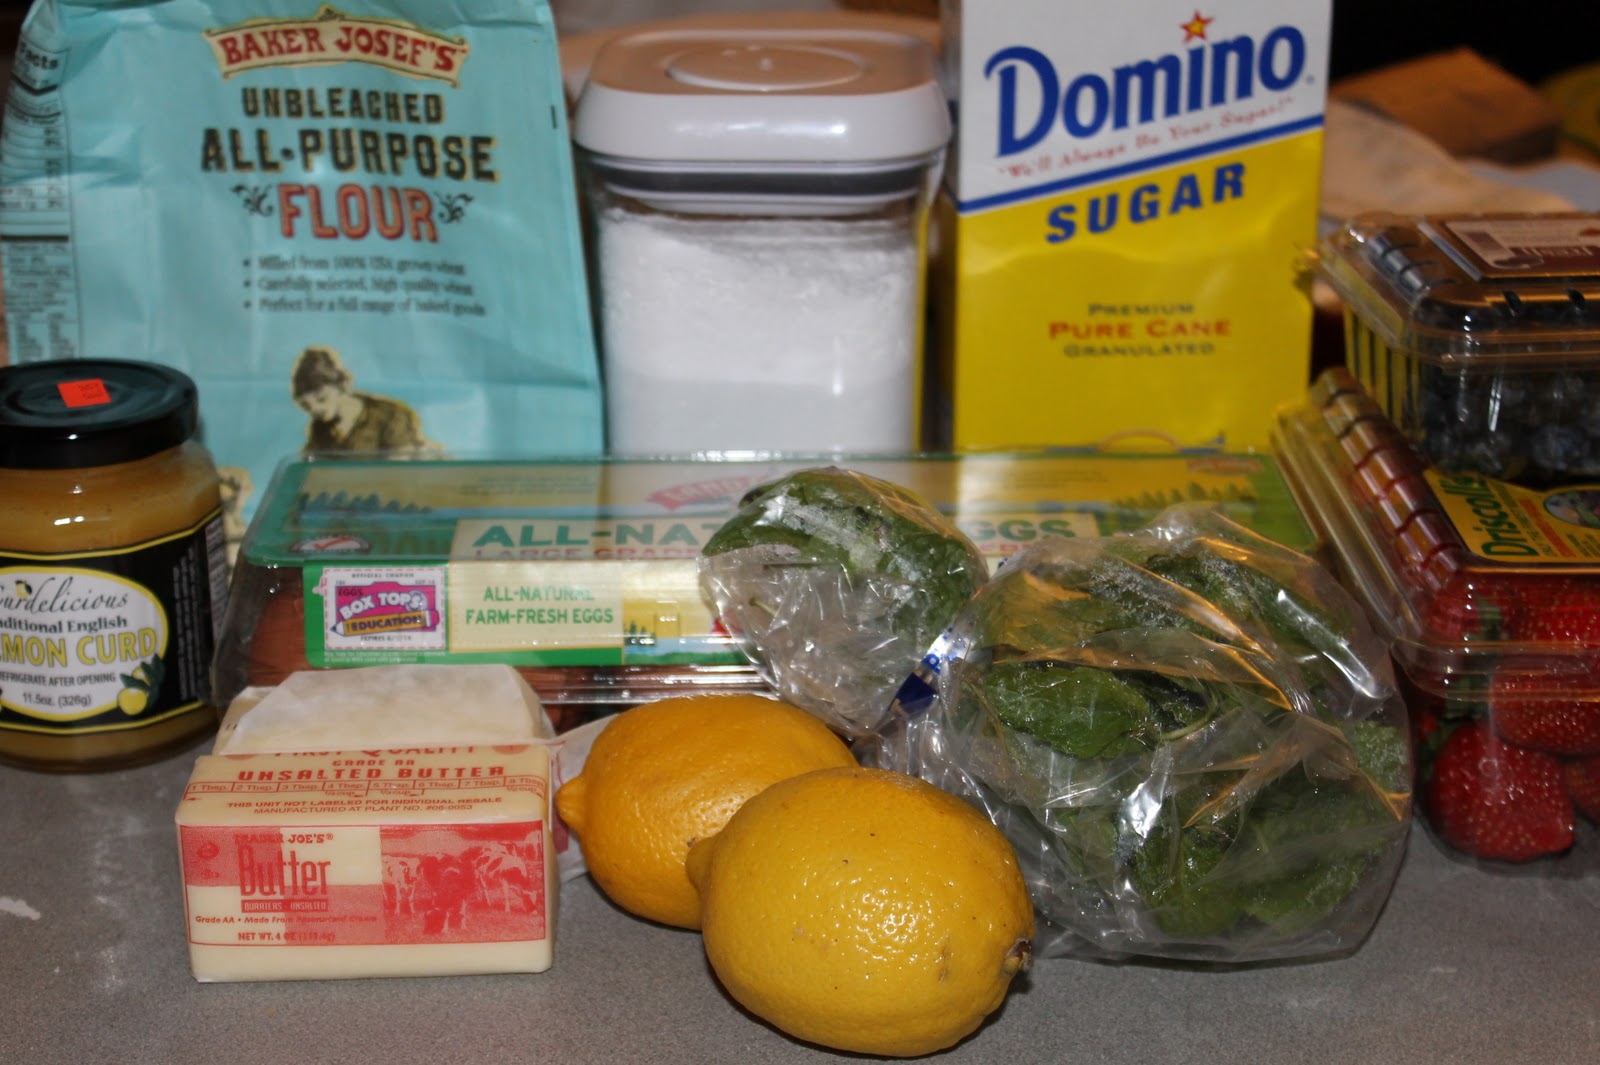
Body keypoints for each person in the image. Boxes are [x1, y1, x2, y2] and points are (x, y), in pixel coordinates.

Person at [289, 346, 440, 455]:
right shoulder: (320, 428)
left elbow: (400, 467)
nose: (315, 409)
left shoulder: (391, 415)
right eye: (306, 406)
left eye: (322, 399)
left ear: (342, 386)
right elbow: (310, 465)